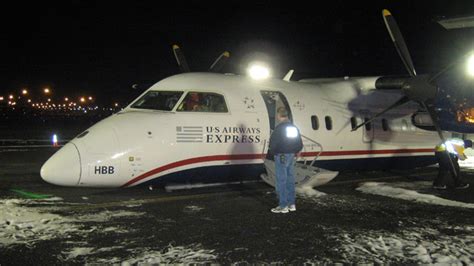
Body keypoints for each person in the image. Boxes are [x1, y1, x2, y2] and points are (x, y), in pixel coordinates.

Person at [268, 106, 303, 213]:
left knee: (281, 181)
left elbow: (273, 145)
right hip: (291, 156)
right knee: (290, 180)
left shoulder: (279, 129)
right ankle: (291, 204)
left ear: (279, 115)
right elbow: (299, 144)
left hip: (281, 156)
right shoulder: (293, 128)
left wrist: (272, 153)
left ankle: (283, 205)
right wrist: (294, 151)